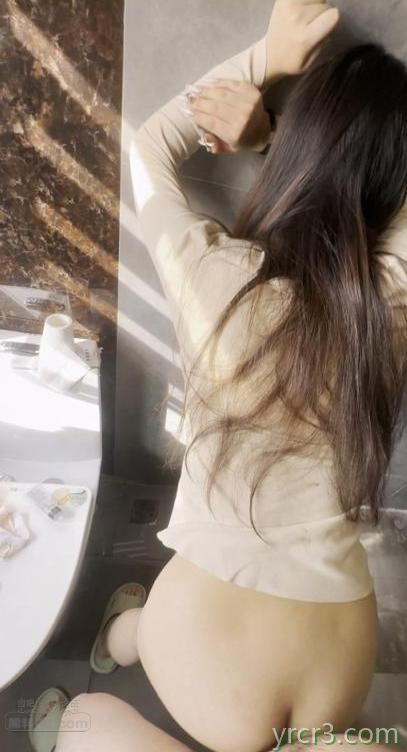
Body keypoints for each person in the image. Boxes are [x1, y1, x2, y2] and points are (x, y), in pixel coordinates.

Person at [30, 1, 407, 751]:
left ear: (300, 152)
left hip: (211, 665)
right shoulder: (390, 303)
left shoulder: (214, 277)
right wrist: (284, 141)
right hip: (337, 676)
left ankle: (123, 645)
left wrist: (266, 65)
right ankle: (132, 637)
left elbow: (149, 146)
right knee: (159, 631)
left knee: (82, 718)